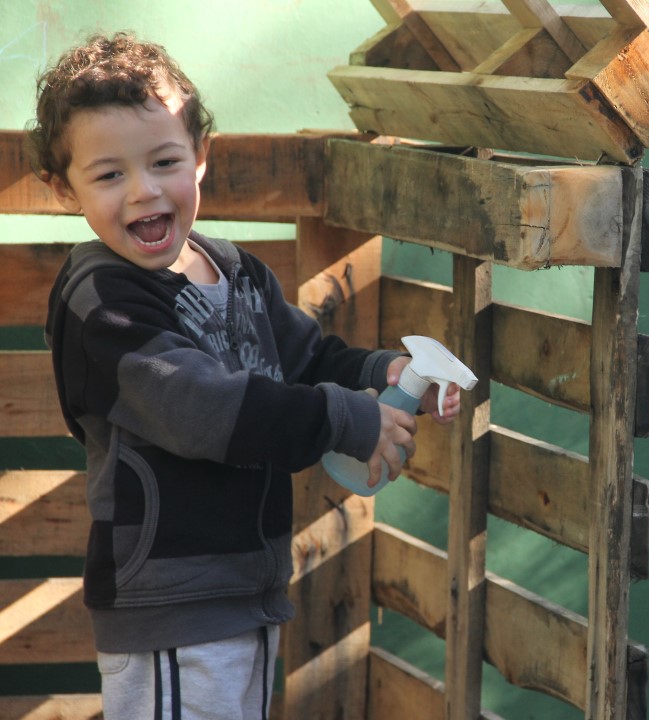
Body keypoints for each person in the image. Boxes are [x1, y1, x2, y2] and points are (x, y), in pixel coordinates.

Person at [30, 32, 459, 720]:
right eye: (109, 175)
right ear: (63, 187)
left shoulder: (236, 271)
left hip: (246, 590)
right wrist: (346, 418)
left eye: (164, 161)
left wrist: (385, 369)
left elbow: (308, 359)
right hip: (171, 604)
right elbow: (203, 409)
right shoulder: (102, 302)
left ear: (200, 156)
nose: (143, 190)